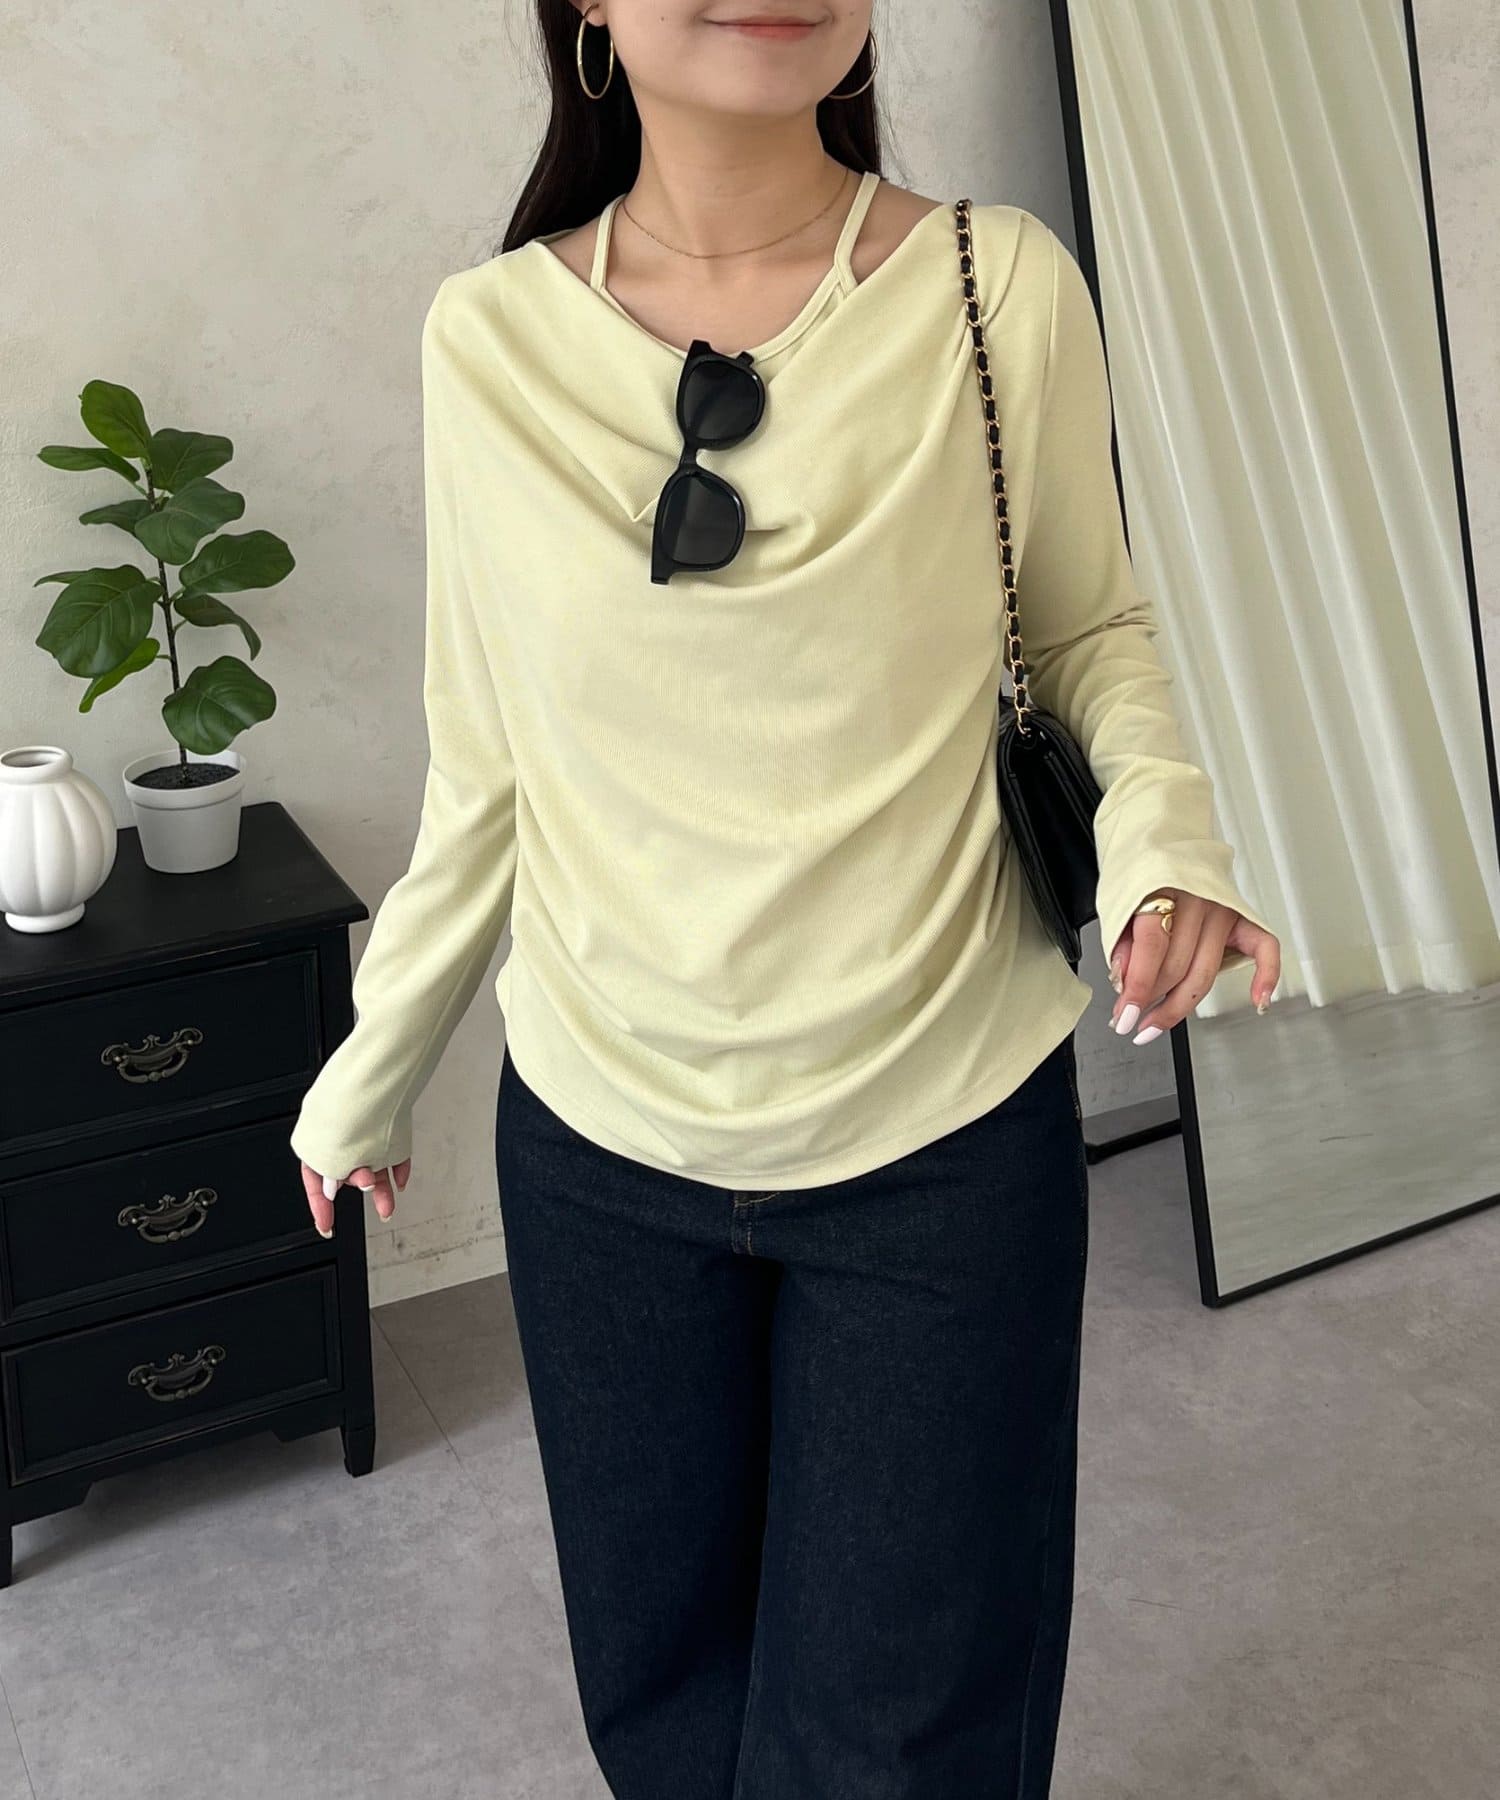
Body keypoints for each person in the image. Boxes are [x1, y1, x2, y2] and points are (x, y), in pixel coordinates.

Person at [290, 4, 1281, 1794]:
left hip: (942, 1138)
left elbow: (1087, 632)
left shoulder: (996, 286)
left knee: (912, 1733)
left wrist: (1166, 841)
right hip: (601, 1152)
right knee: (665, 1707)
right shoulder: (488, 339)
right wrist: (375, 1063)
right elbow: (487, 758)